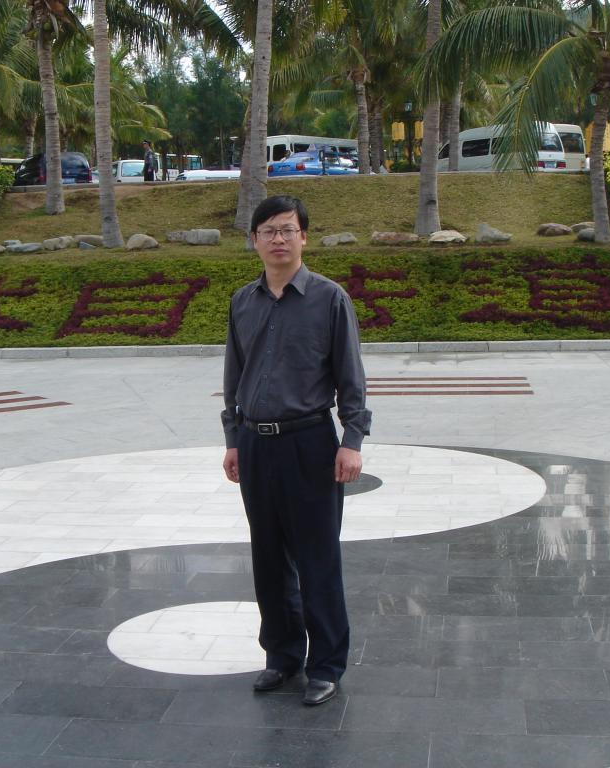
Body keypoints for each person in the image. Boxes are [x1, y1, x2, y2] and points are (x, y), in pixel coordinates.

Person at [221, 194, 370, 706]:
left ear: (304, 237)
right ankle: (282, 656)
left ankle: (325, 665)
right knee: (267, 558)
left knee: (317, 558)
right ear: (254, 241)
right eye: (268, 231)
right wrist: (233, 438)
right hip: (255, 444)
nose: (278, 239)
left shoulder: (330, 299)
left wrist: (352, 441)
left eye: (287, 230)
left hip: (309, 443)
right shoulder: (242, 301)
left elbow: (351, 377)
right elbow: (234, 375)